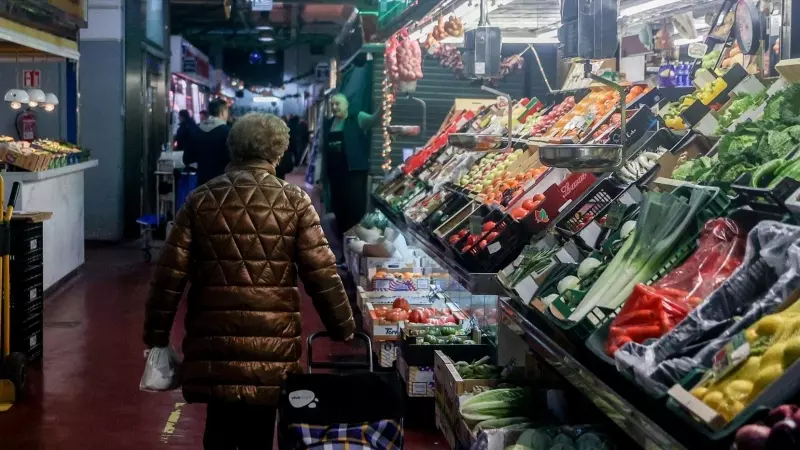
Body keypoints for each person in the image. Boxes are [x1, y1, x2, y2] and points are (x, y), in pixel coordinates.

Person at [143, 112, 356, 450]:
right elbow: (322, 272)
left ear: (234, 148)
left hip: (215, 341)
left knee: (218, 429)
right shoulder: (295, 202)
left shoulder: (201, 200)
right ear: (278, 152)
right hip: (271, 345)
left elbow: (169, 273)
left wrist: (155, 334)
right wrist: (342, 326)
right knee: (260, 432)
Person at [323, 93, 380, 261]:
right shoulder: (329, 124)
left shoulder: (358, 118)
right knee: (339, 213)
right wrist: (323, 177)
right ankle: (342, 251)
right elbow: (323, 150)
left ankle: (355, 252)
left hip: (354, 174)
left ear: (347, 104)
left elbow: (374, 120)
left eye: (338, 104)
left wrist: (385, 104)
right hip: (336, 176)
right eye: (332, 104)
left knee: (354, 212)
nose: (334, 107)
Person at [182, 99, 231, 185]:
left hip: (202, 183)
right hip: (223, 184)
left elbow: (186, 159)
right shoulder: (228, 132)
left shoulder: (196, 130)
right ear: (222, 112)